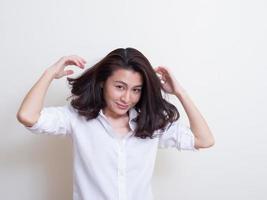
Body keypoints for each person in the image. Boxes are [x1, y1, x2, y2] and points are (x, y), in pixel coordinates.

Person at [16, 47, 215, 200]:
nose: (126, 98)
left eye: (136, 90)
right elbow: (28, 116)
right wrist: (49, 73)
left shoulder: (152, 124)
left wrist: (180, 92)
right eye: (120, 87)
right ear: (103, 82)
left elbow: (204, 139)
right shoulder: (76, 118)